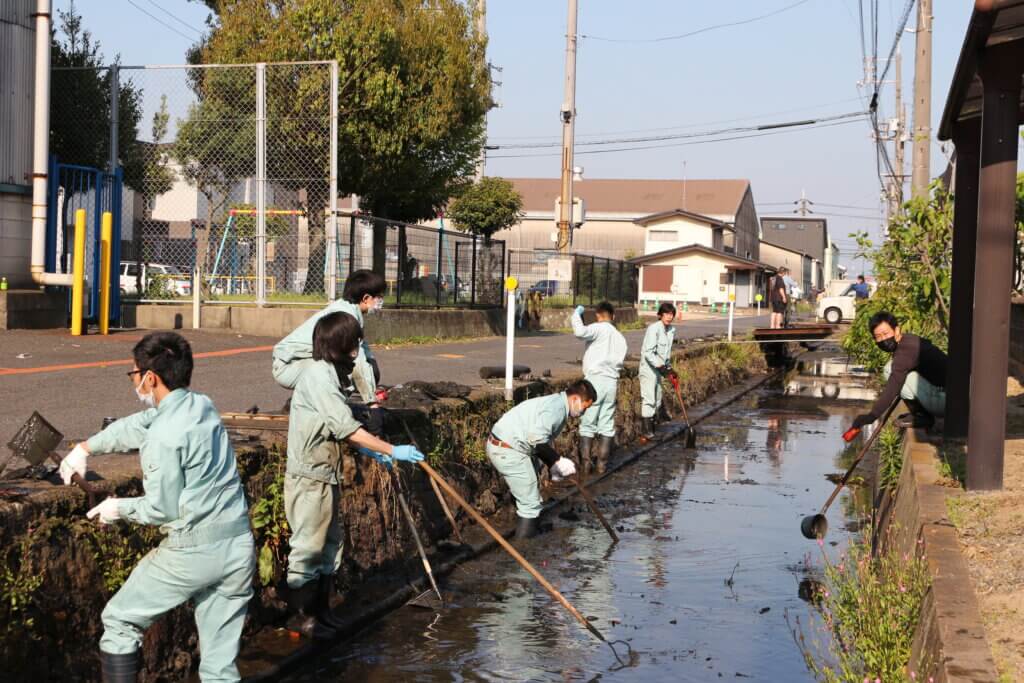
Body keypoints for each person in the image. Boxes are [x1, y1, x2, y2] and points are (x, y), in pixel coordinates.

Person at [59, 332, 254, 682]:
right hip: (238, 547)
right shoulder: (201, 404)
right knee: (219, 668)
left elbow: (161, 509)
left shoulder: (163, 438)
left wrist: (118, 508)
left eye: (134, 374)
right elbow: (139, 425)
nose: (134, 381)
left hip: (193, 552)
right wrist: (85, 448)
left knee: (120, 620)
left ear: (150, 377)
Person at [284, 311, 424, 639]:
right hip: (309, 478)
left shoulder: (332, 376)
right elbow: (346, 428)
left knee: (330, 546)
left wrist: (372, 450)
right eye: (354, 346)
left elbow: (338, 428)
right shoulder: (318, 377)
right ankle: (300, 617)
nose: (357, 353)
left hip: (325, 473)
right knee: (308, 546)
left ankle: (322, 611)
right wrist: (392, 450)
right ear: (342, 346)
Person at [272, 269, 385, 431]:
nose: (381, 301)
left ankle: (320, 404)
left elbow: (363, 350)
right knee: (340, 370)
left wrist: (372, 368)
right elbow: (358, 361)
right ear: (366, 298)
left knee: (362, 369)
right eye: (379, 297)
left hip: (305, 362)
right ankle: (330, 415)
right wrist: (373, 405)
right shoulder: (346, 316)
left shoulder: (351, 312)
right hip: (289, 366)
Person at [486, 379, 597, 538]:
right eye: (585, 407)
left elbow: (536, 440)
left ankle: (522, 528)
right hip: (508, 449)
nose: (583, 412)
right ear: (575, 399)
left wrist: (553, 464)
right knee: (530, 504)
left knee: (530, 493)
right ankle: (524, 549)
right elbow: (536, 440)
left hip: (509, 444)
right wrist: (557, 461)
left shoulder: (557, 403)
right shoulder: (555, 410)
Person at [850, 311, 948, 430]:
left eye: (885, 333)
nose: (883, 339)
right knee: (896, 370)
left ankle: (922, 416)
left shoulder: (906, 351)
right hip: (948, 397)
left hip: (945, 401)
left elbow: (893, 386)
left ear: (896, 330)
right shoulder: (908, 340)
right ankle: (920, 414)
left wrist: (871, 416)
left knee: (888, 370)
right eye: (878, 337)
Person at [571, 302, 628, 475]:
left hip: (594, 380)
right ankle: (602, 466)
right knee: (606, 423)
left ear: (598, 315)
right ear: (614, 316)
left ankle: (586, 465)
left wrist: (576, 314)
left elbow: (580, 332)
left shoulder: (599, 328)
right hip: (611, 381)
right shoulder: (619, 337)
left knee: (588, 422)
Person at [639, 303, 677, 439]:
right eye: (666, 314)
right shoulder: (653, 329)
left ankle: (654, 427)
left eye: (671, 314)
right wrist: (661, 366)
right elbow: (648, 352)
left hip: (659, 369)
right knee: (649, 398)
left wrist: (669, 368)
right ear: (660, 315)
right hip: (648, 368)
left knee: (658, 398)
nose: (669, 317)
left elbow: (666, 353)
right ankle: (646, 430)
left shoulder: (671, 330)